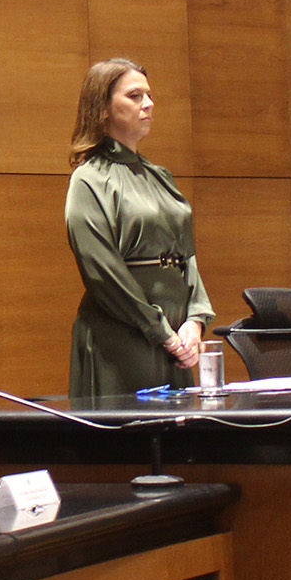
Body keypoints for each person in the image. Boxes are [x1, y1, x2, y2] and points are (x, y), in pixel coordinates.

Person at [64, 59, 215, 399]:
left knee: (178, 429)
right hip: (123, 336)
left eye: (149, 95)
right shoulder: (89, 180)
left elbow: (185, 255)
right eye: (134, 96)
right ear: (102, 108)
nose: (148, 104)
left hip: (177, 339)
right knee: (130, 430)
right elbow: (103, 271)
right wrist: (160, 331)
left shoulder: (159, 176)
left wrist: (195, 320)